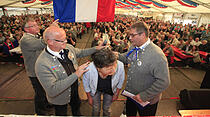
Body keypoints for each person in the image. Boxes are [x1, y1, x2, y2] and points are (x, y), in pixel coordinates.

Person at [35, 26, 104, 116]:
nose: (66, 41)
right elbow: (52, 90)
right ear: (50, 42)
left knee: (76, 106)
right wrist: (76, 74)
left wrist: (95, 49)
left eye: (65, 38)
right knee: (61, 113)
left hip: (74, 89)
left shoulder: (68, 48)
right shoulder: (42, 63)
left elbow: (81, 52)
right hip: (59, 98)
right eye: (62, 40)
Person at [117, 22, 170, 116]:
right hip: (131, 95)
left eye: (132, 35)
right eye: (130, 35)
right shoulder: (134, 46)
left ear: (143, 35)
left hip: (147, 100)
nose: (129, 38)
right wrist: (116, 55)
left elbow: (164, 81)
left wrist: (144, 95)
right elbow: (127, 57)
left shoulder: (157, 55)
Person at [20, 18, 58, 115]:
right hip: (34, 71)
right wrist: (51, 29)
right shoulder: (25, 40)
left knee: (44, 89)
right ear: (26, 29)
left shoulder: (33, 36)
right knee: (40, 93)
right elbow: (42, 43)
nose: (38, 26)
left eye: (37, 24)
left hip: (40, 69)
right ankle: (40, 112)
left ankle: (46, 104)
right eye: (34, 25)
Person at [83, 48, 125, 116]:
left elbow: (121, 80)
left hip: (109, 90)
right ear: (98, 68)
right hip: (95, 90)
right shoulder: (89, 69)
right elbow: (86, 83)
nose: (114, 69)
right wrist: (89, 97)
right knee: (96, 108)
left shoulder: (120, 65)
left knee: (107, 108)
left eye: (114, 65)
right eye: (109, 68)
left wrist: (117, 94)